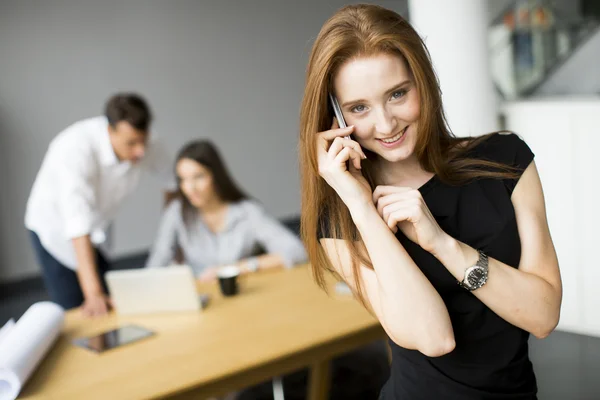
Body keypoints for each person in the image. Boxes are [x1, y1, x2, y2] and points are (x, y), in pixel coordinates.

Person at [298, 5, 562, 400]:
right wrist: (359, 204)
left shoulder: (505, 161)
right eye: (359, 108)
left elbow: (542, 316)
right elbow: (433, 336)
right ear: (336, 116)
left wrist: (443, 243)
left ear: (424, 83)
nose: (386, 125)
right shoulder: (339, 219)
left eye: (398, 94)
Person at [25, 93, 171, 316]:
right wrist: (93, 294)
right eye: (131, 143)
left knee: (111, 301)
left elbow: (171, 182)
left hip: (96, 226)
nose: (140, 151)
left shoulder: (145, 141)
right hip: (55, 229)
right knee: (79, 308)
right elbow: (77, 224)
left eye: (143, 140)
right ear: (109, 130)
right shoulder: (74, 149)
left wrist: (172, 232)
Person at [146, 140, 307, 280]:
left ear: (215, 176)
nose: (190, 188)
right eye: (183, 180)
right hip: (200, 299)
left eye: (198, 177)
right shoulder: (176, 212)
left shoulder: (247, 212)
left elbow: (296, 252)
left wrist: (235, 269)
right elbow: (156, 265)